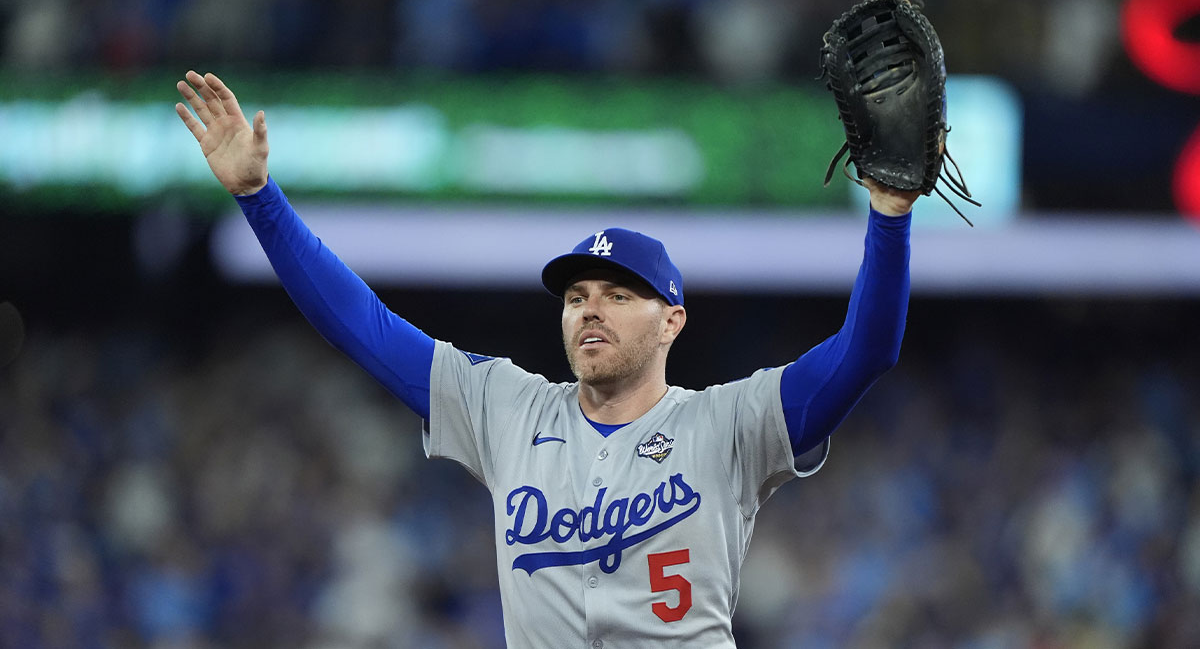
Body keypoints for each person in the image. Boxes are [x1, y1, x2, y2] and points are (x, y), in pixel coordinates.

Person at [176, 69, 916, 648]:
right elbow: (361, 326)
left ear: (672, 321)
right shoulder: (507, 407)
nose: (590, 308)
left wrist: (888, 218)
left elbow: (867, 351)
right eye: (576, 296)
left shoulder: (730, 423)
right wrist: (260, 197)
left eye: (618, 295)